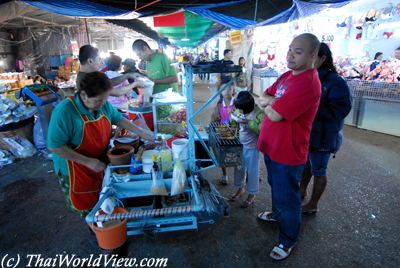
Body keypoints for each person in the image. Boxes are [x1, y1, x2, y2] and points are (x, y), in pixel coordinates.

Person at [47, 71, 154, 216]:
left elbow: (118, 119)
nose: (103, 104)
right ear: (84, 95)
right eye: (98, 101)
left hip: (99, 159)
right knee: (87, 205)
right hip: (75, 166)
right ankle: (97, 229)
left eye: (105, 99)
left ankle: (107, 219)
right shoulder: (65, 112)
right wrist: (87, 161)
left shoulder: (102, 105)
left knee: (104, 196)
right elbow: (55, 146)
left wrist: (142, 132)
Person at [257, 33, 322, 261]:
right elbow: (263, 96)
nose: (291, 55)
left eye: (298, 51)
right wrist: (273, 102)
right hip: (273, 147)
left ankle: (288, 239)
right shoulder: (287, 76)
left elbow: (273, 113)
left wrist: (271, 103)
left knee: (289, 198)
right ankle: (277, 215)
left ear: (313, 55)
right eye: (290, 49)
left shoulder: (308, 83)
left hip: (288, 152)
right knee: (276, 187)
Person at [300, 43, 352, 214]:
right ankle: (301, 192)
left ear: (322, 58)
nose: (306, 59)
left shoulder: (335, 81)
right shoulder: (308, 76)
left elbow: (341, 109)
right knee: (306, 165)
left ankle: (313, 204)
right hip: (307, 134)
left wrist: (311, 109)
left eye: (310, 55)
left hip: (323, 136)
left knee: (319, 171)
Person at [230, 91, 263, 208]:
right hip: (241, 145)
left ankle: (252, 195)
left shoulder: (257, 115)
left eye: (241, 109)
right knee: (239, 168)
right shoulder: (242, 110)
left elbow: (261, 130)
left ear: (248, 107)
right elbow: (235, 114)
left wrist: (248, 123)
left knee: (252, 172)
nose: (239, 111)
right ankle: (240, 188)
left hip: (252, 148)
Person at [210, 83, 236, 185]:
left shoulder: (237, 102)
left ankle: (245, 173)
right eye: (224, 90)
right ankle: (225, 174)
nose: (227, 91)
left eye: (229, 89)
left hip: (237, 132)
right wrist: (213, 126)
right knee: (221, 153)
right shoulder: (220, 105)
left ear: (233, 90)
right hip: (223, 131)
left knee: (239, 154)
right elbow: (214, 118)